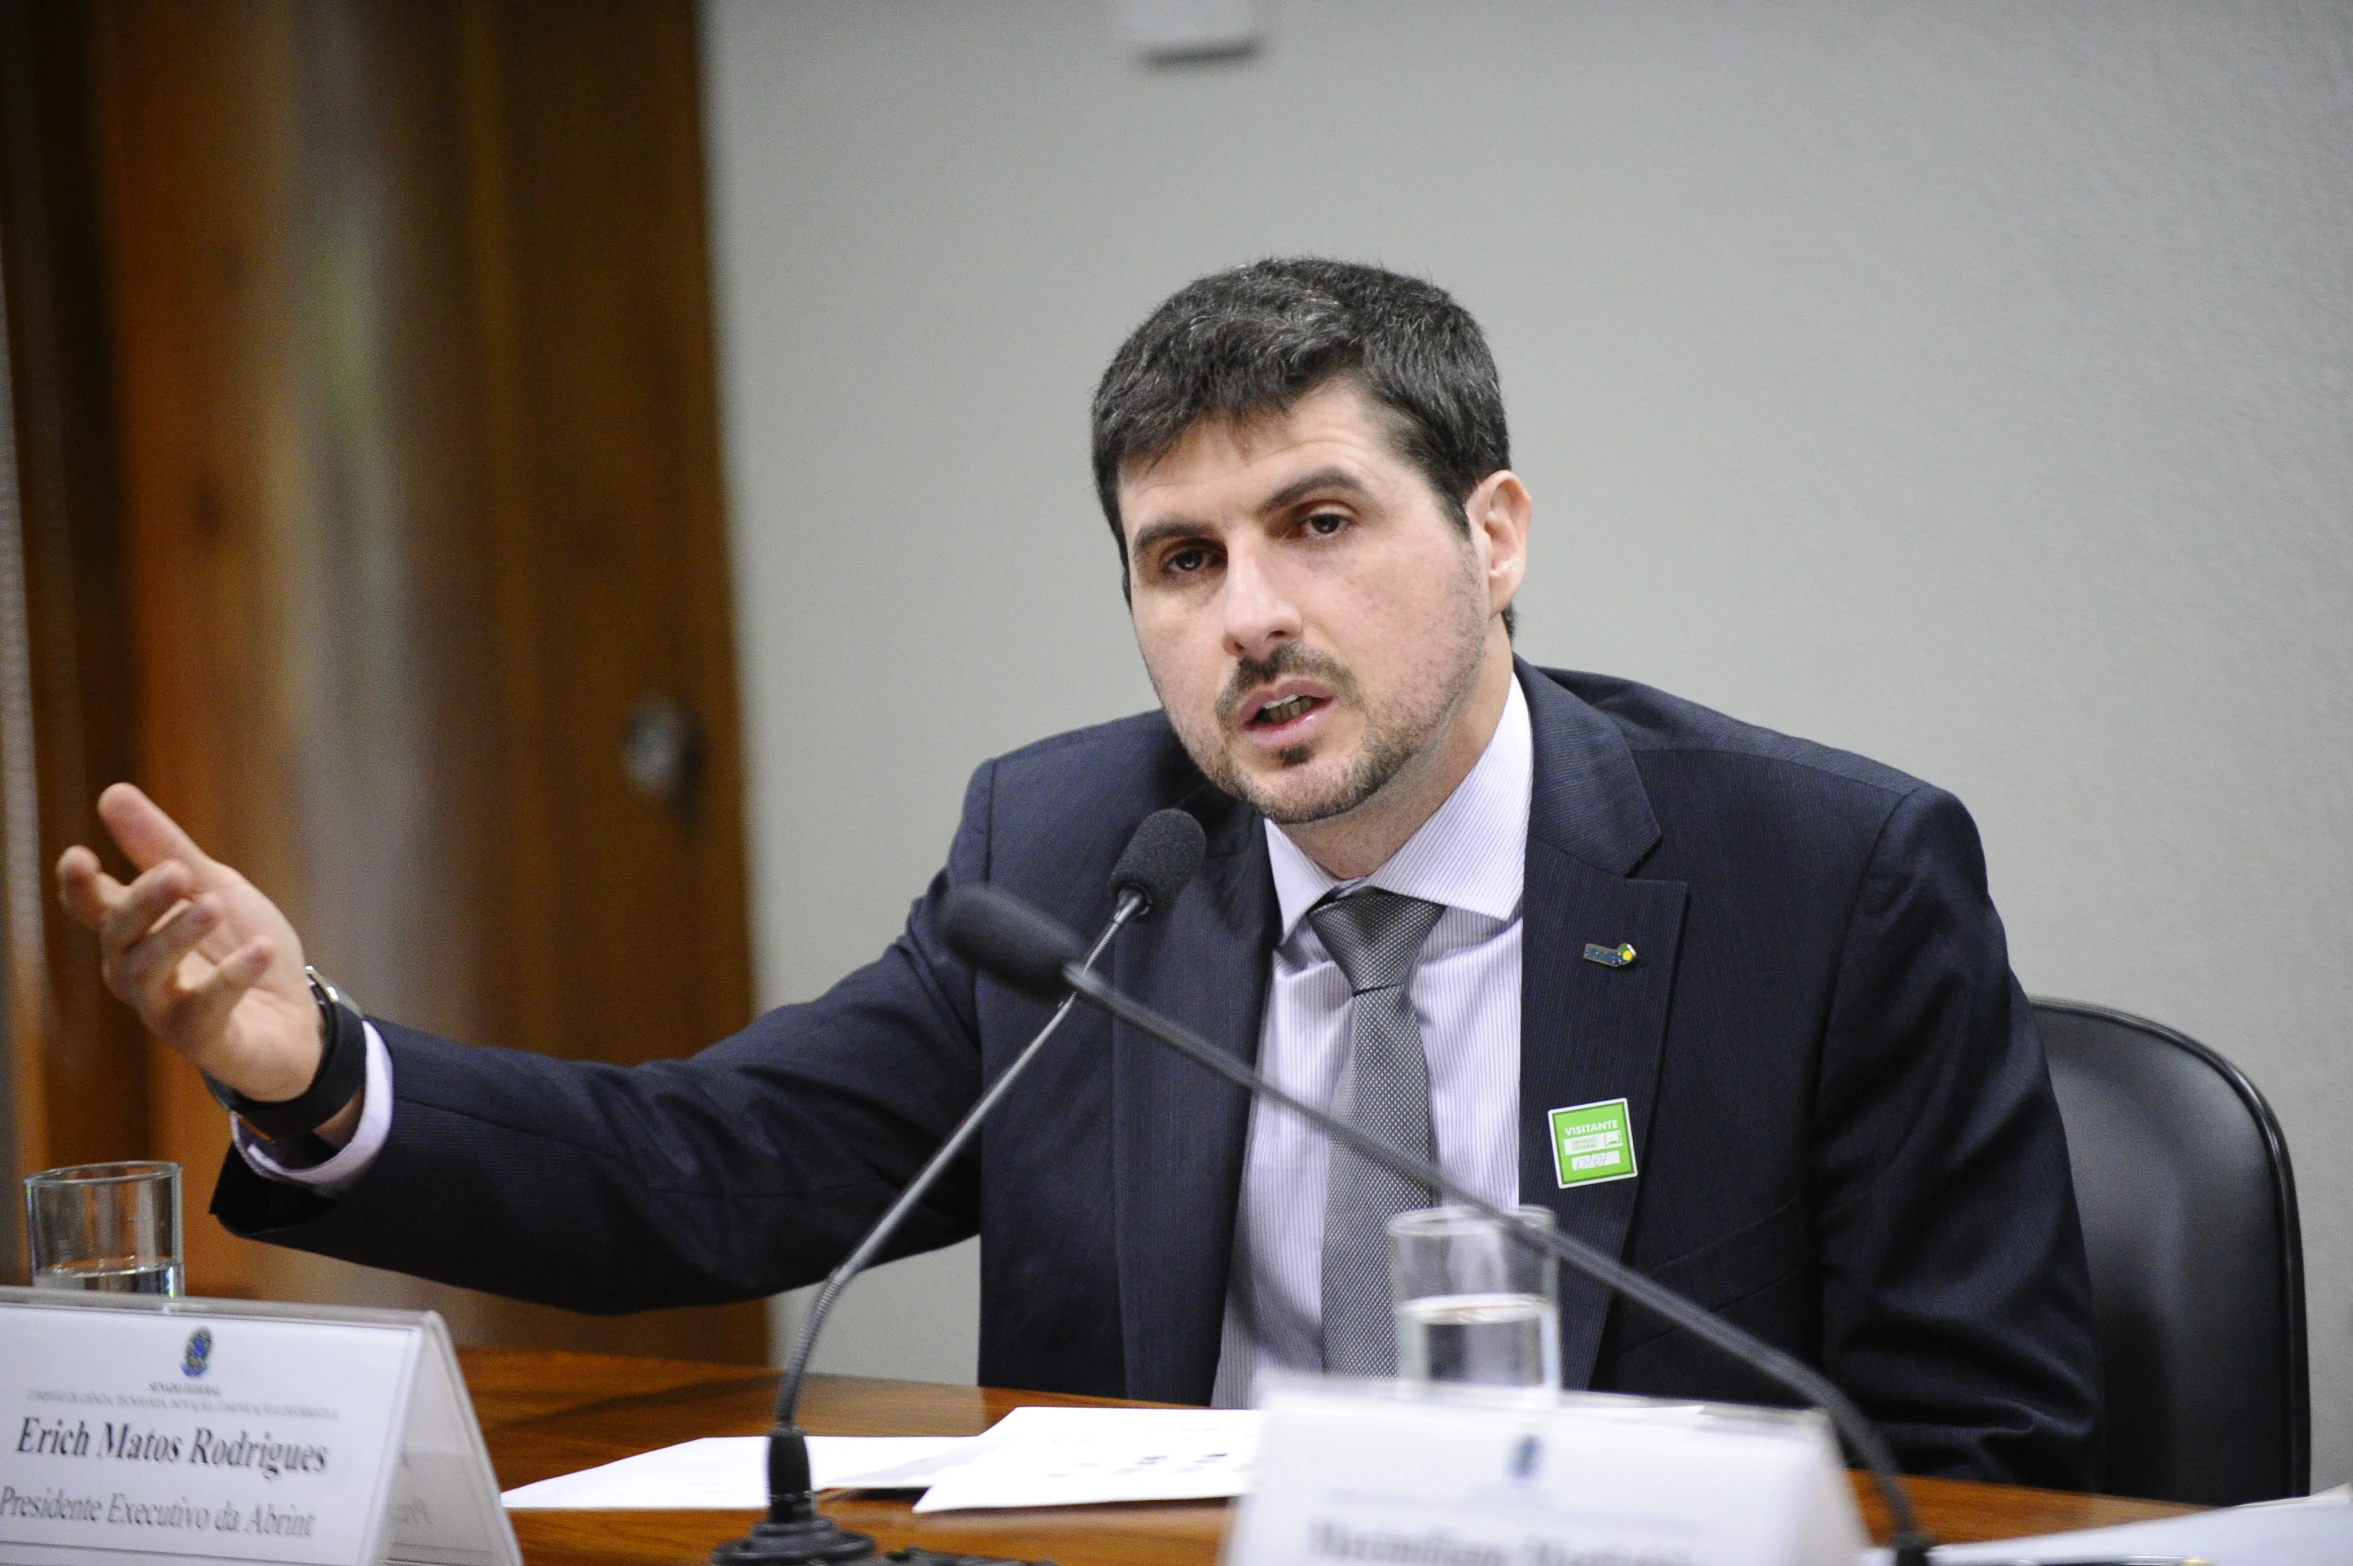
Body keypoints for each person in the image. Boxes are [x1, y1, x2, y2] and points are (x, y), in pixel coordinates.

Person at [58, 259, 2099, 1486]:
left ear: (1494, 535)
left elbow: (1982, 1454)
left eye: (1320, 523)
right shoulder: (1078, 861)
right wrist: (310, 1064)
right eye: (1181, 561)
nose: (1250, 619)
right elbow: (708, 1168)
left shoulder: (1826, 877)